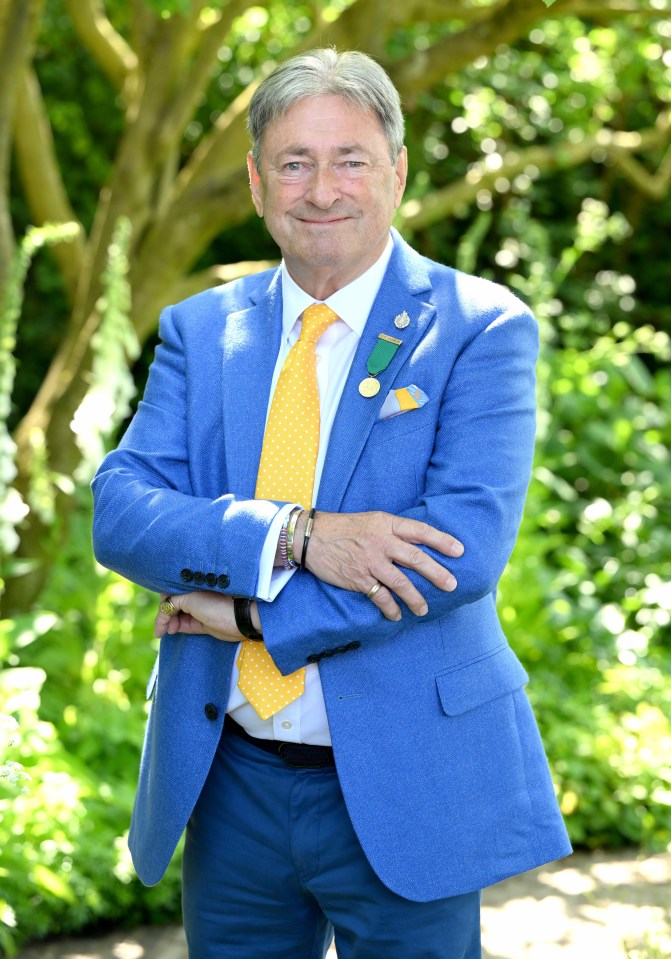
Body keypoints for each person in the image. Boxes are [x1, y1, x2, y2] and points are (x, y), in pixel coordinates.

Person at [92, 48, 571, 959]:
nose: (322, 189)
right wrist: (293, 535)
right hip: (228, 779)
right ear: (255, 177)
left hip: (407, 782)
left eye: (349, 159)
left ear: (395, 169)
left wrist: (242, 614)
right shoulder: (203, 328)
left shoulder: (478, 326)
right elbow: (121, 510)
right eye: (294, 162)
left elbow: (457, 553)